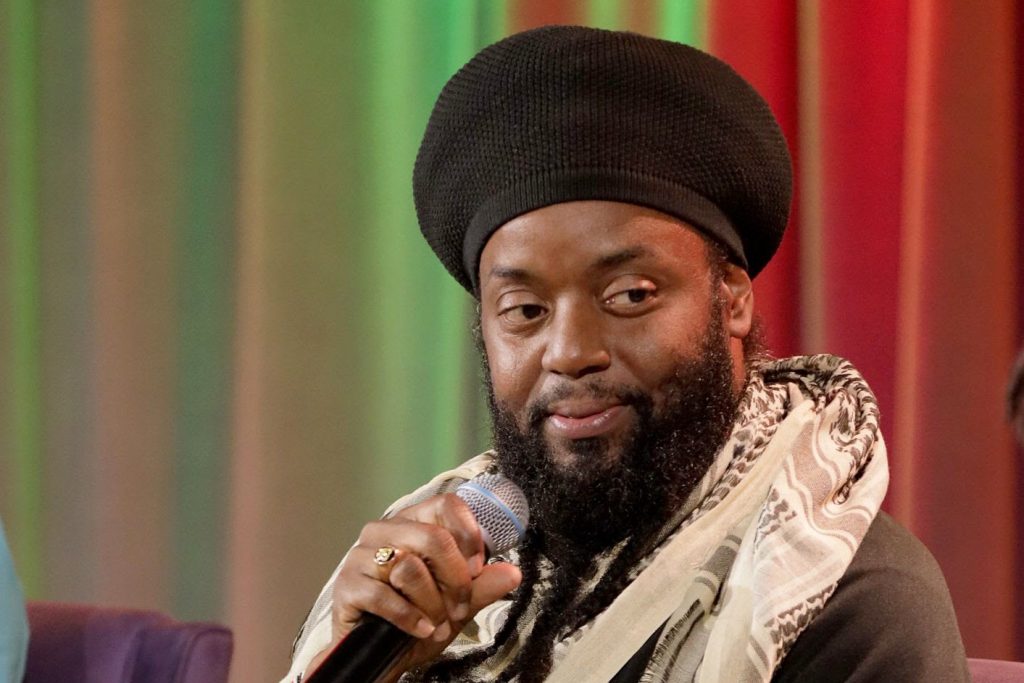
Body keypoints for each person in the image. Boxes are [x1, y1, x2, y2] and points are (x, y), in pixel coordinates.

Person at [283, 26, 968, 682]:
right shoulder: (437, 579)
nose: (570, 352)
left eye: (630, 295)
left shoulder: (849, 602)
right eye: (525, 310)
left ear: (732, 299)